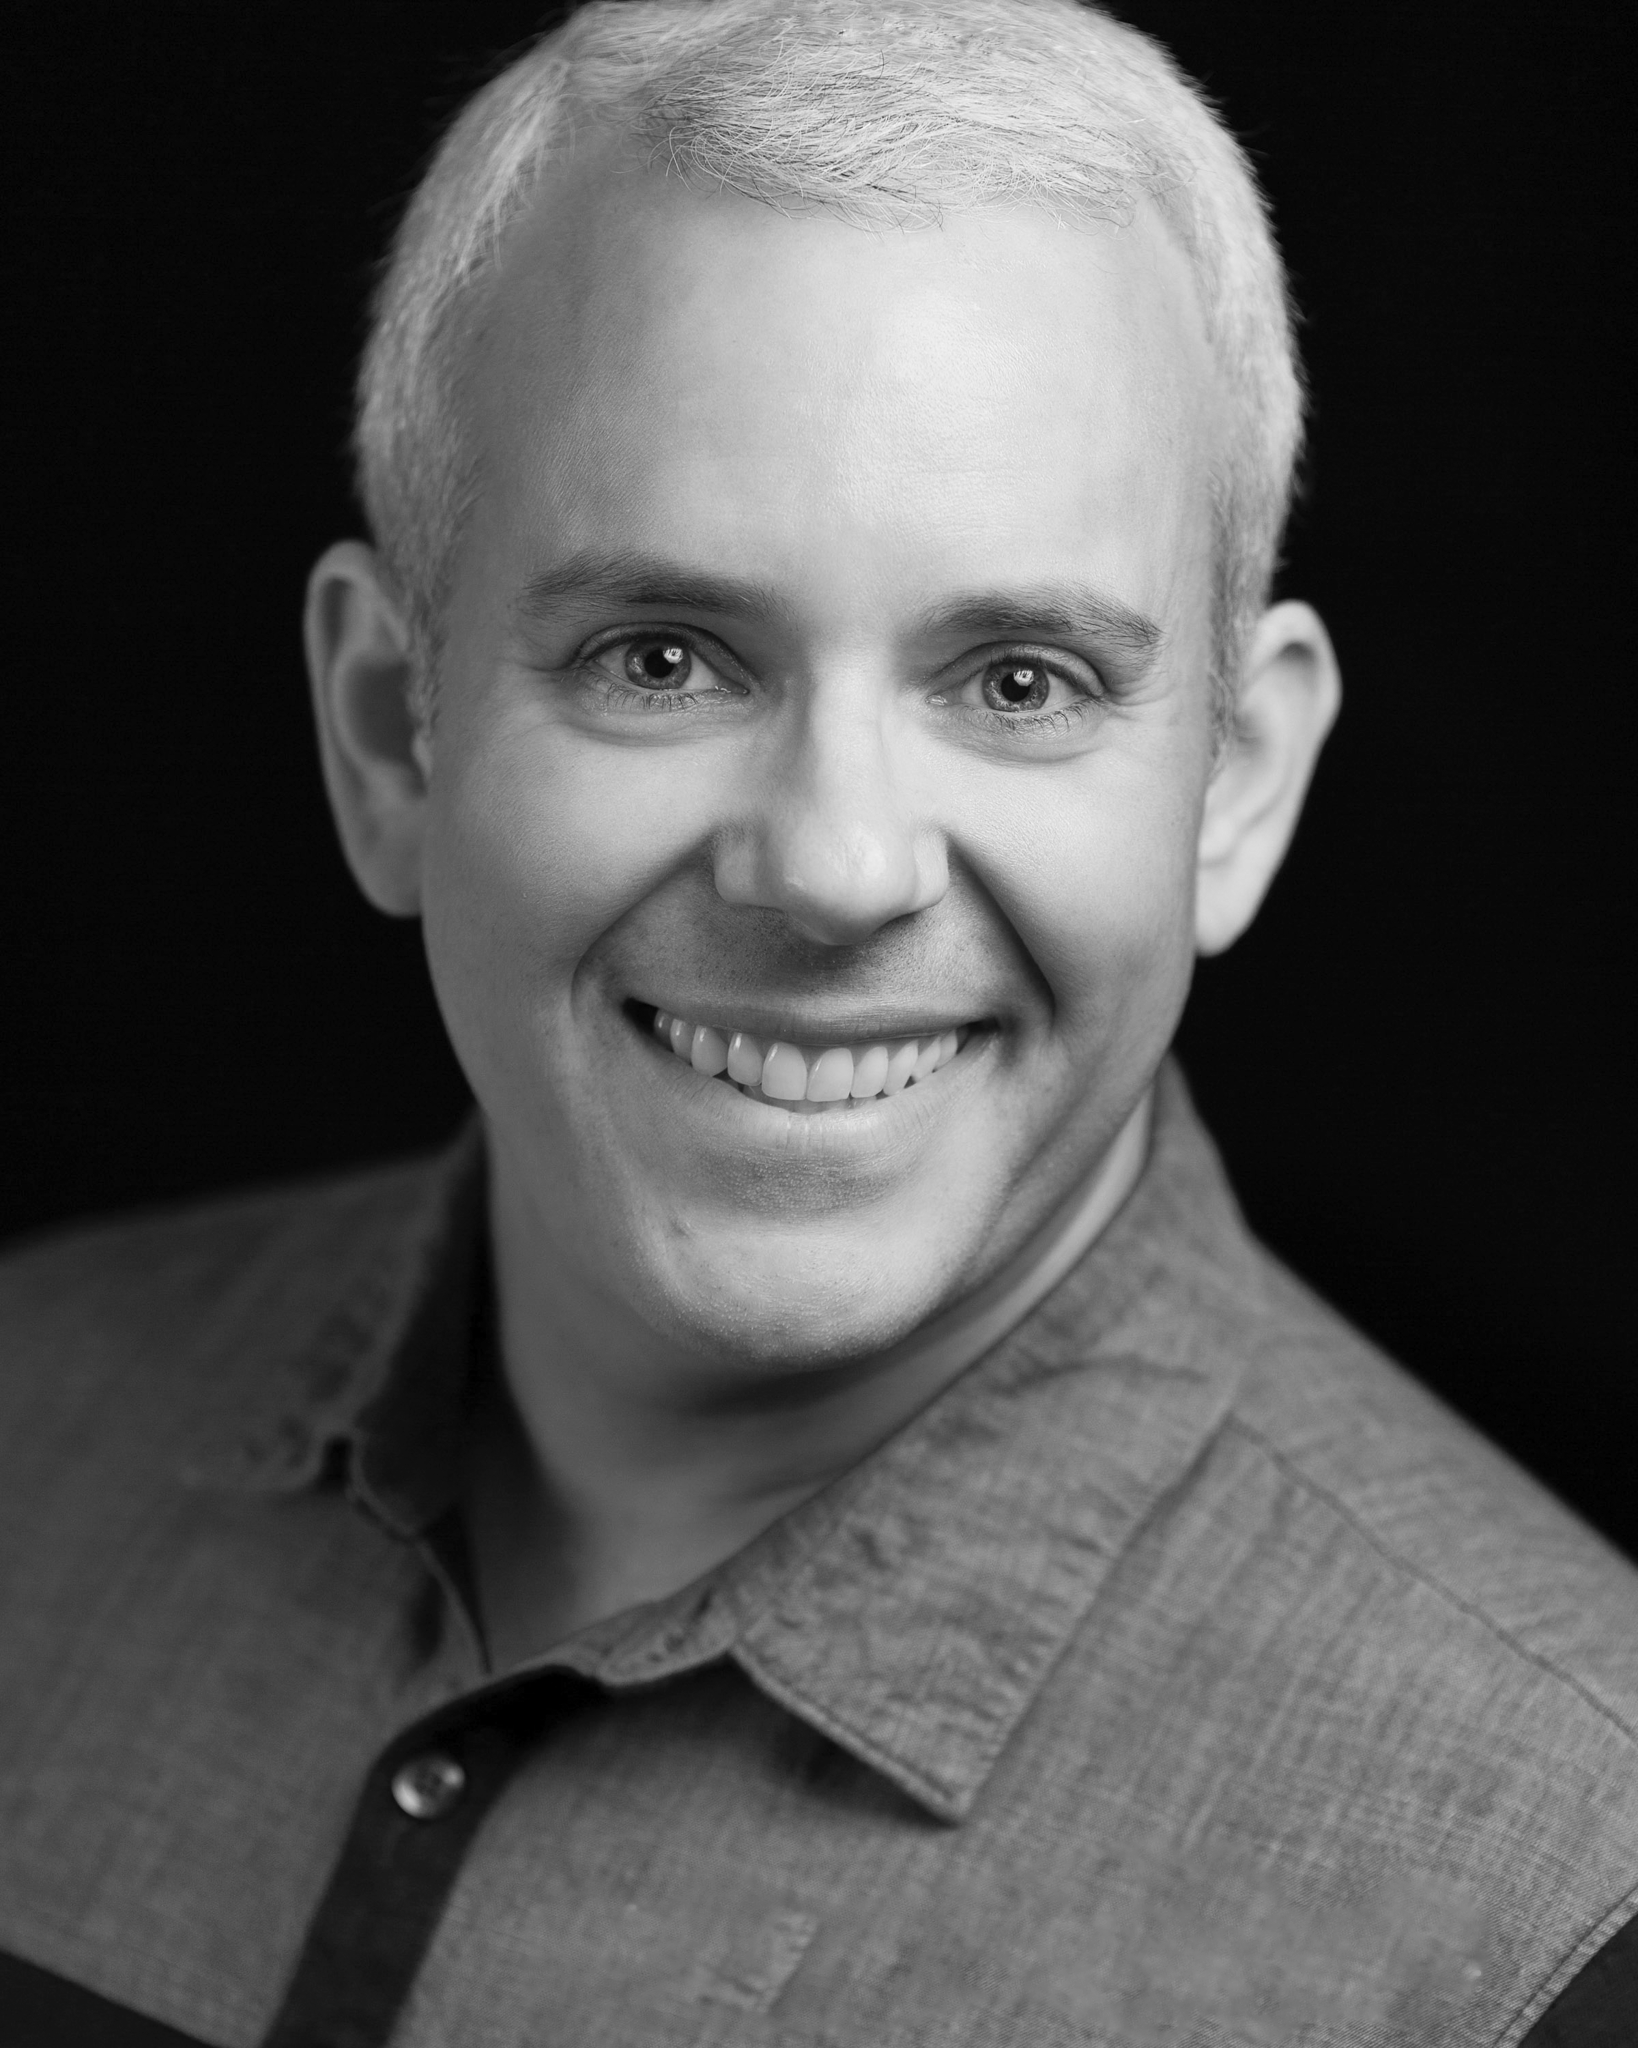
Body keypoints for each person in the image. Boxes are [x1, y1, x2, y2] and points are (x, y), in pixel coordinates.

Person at [1, 0, 1633, 2041]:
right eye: (664, 657)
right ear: (391, 734)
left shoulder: (1570, 1912)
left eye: (1020, 681)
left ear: (1233, 788)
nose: (837, 865)